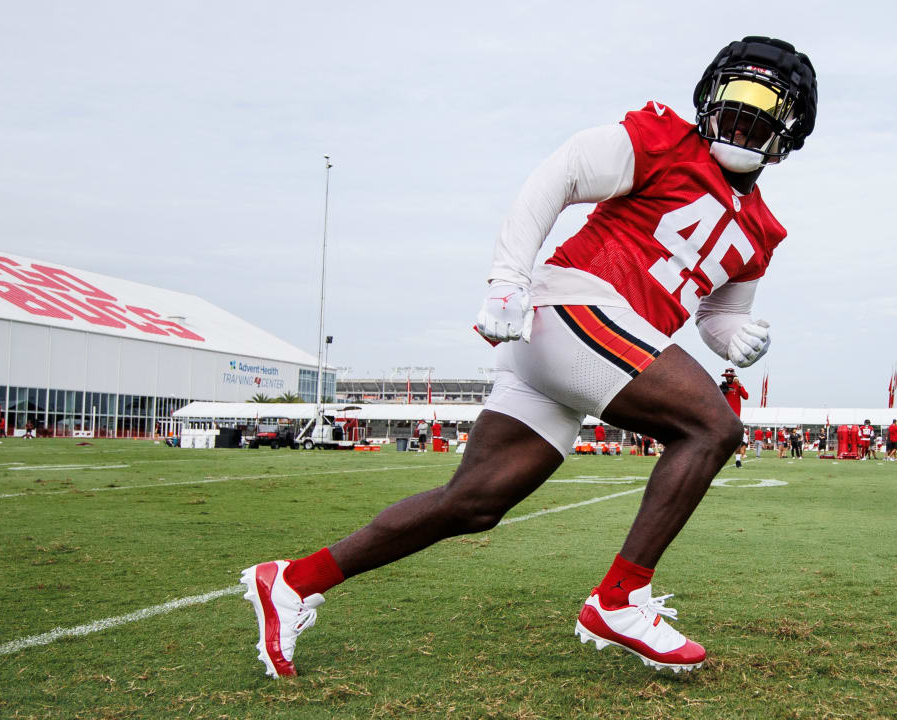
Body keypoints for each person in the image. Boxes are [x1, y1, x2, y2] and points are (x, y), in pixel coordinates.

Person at [240, 36, 816, 678]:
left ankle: (291, 581)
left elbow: (717, 313)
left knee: (474, 502)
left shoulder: (763, 230)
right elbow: (559, 175)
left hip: (585, 346)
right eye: (736, 95)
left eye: (765, 104)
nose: (745, 114)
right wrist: (506, 281)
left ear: (791, 130)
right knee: (713, 425)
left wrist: (733, 334)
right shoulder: (663, 140)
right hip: (579, 307)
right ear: (709, 93)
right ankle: (619, 600)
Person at [719, 369, 748, 467]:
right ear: (725, 377)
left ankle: (738, 460)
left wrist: (740, 386)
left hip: (735, 417)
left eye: (730, 376)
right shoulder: (722, 386)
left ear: (733, 377)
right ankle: (719, 459)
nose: (729, 377)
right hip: (725, 416)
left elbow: (746, 396)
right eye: (727, 376)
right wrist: (720, 391)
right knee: (723, 439)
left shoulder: (737, 386)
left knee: (737, 440)